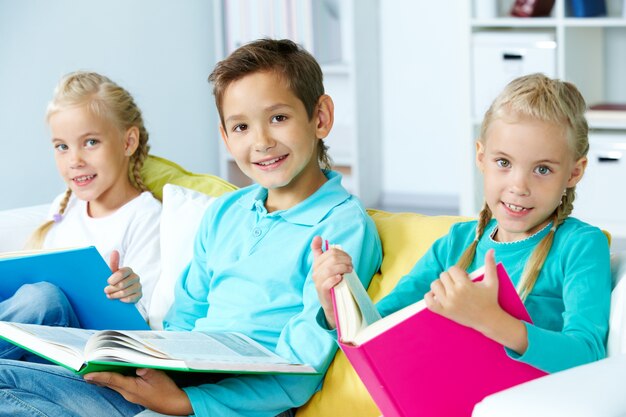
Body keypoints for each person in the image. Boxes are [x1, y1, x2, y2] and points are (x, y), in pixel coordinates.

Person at [0, 39, 382, 417]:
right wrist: (147, 365)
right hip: (177, 381)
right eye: (242, 127)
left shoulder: (342, 226)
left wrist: (187, 403)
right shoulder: (225, 212)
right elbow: (182, 321)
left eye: (278, 118)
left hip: (234, 405)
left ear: (320, 117)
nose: (261, 142)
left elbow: (302, 366)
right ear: (225, 136)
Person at [313, 73, 611, 374]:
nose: (519, 186)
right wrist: (334, 307)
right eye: (504, 163)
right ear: (481, 157)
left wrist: (491, 320)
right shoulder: (454, 244)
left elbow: (587, 354)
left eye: (543, 169)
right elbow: (380, 329)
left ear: (574, 172)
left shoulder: (580, 245)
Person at [0, 71, 161, 360]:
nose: (74, 160)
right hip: (35, 344)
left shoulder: (145, 216)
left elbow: (149, 324)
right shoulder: (67, 207)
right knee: (36, 296)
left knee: (43, 298)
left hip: (85, 349)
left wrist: (131, 292)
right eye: (62, 147)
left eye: (90, 143)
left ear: (128, 142)